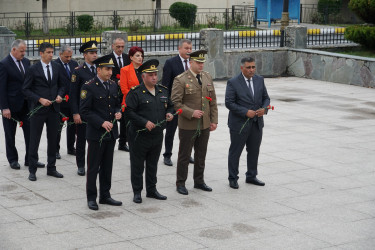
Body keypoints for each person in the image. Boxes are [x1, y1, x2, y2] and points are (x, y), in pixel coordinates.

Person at [126, 59, 174, 204]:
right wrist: (144, 122)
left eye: (155, 74)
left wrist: (169, 113)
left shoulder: (162, 90)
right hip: (139, 135)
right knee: (138, 164)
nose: (154, 77)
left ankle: (152, 190)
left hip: (157, 134)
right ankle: (137, 192)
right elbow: (129, 112)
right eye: (151, 74)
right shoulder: (135, 93)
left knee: (153, 164)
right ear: (143, 76)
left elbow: (170, 106)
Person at [171, 50, 218, 195]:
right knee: (184, 155)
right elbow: (176, 103)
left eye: (202, 62)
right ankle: (181, 183)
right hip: (188, 124)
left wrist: (214, 120)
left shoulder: (207, 76)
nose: (201, 65)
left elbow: (213, 101)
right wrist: (191, 113)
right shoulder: (181, 79)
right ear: (190, 62)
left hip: (204, 123)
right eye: (198, 62)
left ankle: (199, 181)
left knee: (201, 154)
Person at [79, 55, 123, 211]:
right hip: (96, 134)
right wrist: (101, 122)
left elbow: (116, 104)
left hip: (110, 133)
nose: (110, 72)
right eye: (107, 69)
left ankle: (105, 195)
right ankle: (91, 197)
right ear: (98, 70)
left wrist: (118, 113)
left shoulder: (112, 85)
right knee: (93, 167)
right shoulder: (89, 86)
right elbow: (84, 111)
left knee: (107, 166)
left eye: (111, 69)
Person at [22, 42, 66, 181]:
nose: (51, 55)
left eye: (52, 52)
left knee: (53, 139)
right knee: (34, 140)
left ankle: (51, 168)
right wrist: (39, 99)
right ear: (41, 53)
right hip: (38, 110)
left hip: (53, 109)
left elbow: (62, 85)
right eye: (48, 52)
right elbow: (25, 90)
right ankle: (32, 169)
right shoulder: (33, 69)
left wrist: (60, 95)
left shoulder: (57, 67)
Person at [225, 57, 270, 189]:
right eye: (248, 67)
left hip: (256, 123)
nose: (251, 70)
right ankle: (233, 178)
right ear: (242, 68)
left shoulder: (259, 80)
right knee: (235, 151)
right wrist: (245, 112)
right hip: (239, 124)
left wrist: (265, 109)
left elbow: (266, 98)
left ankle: (251, 175)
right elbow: (229, 103)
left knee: (254, 150)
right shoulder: (233, 82)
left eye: (253, 67)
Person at [0, 39, 45, 170]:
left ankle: (30, 159)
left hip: (26, 105)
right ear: (13, 50)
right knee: (10, 134)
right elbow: (1, 88)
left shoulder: (26, 62)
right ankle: (13, 159)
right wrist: (4, 107)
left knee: (31, 133)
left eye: (24, 50)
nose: (24, 53)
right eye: (21, 51)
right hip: (11, 106)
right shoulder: (4, 64)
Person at [162, 39, 194, 166]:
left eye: (190, 48)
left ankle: (187, 154)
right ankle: (167, 155)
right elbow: (165, 85)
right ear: (179, 48)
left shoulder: (192, 63)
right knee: (171, 130)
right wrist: (167, 104)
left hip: (189, 104)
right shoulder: (171, 63)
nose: (189, 51)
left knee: (188, 131)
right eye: (186, 48)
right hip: (174, 103)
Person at [69, 41, 98, 176]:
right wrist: (75, 113)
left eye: (95, 53)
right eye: (92, 53)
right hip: (83, 112)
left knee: (95, 141)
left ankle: (94, 164)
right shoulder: (78, 72)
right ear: (85, 55)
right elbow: (73, 95)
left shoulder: (99, 69)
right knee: (81, 139)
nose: (94, 55)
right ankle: (81, 165)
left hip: (97, 112)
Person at [55, 44, 78, 159]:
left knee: (72, 126)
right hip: (60, 100)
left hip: (72, 101)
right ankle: (55, 150)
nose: (69, 59)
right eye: (66, 56)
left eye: (70, 56)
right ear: (60, 54)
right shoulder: (55, 65)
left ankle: (71, 147)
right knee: (58, 127)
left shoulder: (74, 64)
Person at [107, 37, 131, 152]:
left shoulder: (127, 58)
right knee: (113, 116)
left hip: (124, 93)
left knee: (125, 118)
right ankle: (111, 139)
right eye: (118, 47)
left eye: (122, 47)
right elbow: (106, 74)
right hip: (113, 91)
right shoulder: (109, 59)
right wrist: (116, 81)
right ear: (113, 46)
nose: (120, 49)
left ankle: (122, 143)